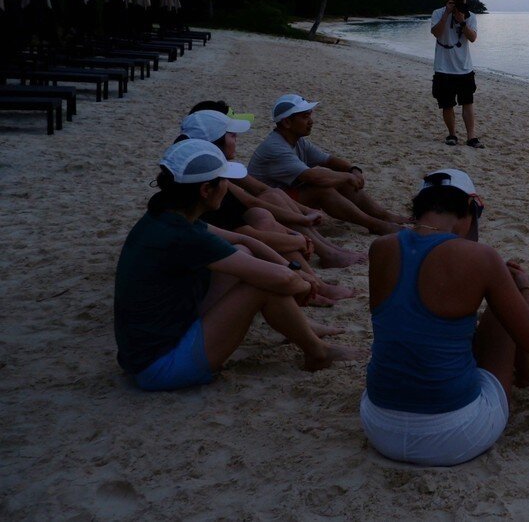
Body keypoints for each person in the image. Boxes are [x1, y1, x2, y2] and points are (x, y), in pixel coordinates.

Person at [114, 139, 362, 391]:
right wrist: (303, 284)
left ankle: (303, 330)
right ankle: (318, 352)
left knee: (245, 256)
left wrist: (297, 272)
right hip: (161, 367)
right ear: (206, 190)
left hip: (147, 350)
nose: (228, 186)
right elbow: (282, 280)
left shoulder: (166, 217)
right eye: (224, 181)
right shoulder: (184, 236)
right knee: (261, 285)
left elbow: (244, 240)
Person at [361, 169, 529, 466]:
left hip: (380, 426)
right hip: (454, 434)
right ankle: (524, 374)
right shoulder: (481, 256)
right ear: (470, 208)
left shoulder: (381, 248)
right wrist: (524, 287)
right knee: (507, 301)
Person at [181, 106, 366, 269]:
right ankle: (327, 254)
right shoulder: (208, 178)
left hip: (245, 222)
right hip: (229, 237)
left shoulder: (210, 168)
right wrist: (300, 224)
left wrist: (304, 214)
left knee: (272, 199)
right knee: (271, 210)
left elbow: (260, 191)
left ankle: (329, 249)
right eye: (231, 133)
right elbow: (250, 208)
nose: (237, 138)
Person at [247, 94, 410, 235]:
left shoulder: (297, 141)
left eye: (310, 116)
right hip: (267, 205)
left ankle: (384, 216)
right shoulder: (276, 148)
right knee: (322, 189)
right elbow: (314, 177)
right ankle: (374, 224)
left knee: (340, 180)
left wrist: (353, 170)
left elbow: (329, 160)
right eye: (305, 117)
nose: (311, 121)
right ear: (287, 123)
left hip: (283, 196)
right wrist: (347, 177)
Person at [428, 0, 482, 148]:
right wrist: (446, 14)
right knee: (447, 104)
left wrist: (462, 22)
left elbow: (473, 38)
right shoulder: (438, 13)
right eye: (455, 0)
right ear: (448, 0)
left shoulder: (470, 16)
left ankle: (471, 137)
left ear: (465, 0)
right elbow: (436, 33)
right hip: (443, 68)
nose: (458, 3)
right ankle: (452, 134)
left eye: (461, 0)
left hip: (464, 68)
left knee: (468, 102)